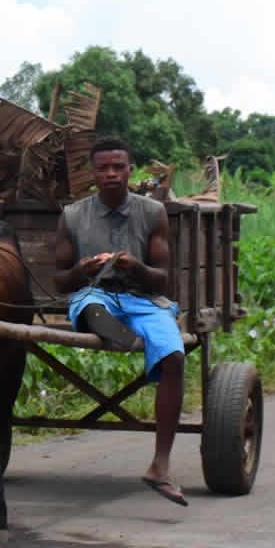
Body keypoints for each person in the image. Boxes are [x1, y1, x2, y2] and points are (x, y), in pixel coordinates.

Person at [52, 136, 188, 507]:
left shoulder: (151, 212)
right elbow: (59, 281)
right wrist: (81, 268)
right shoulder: (73, 216)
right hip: (95, 293)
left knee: (174, 357)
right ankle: (106, 325)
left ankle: (160, 465)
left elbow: (163, 279)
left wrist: (137, 267)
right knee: (88, 303)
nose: (111, 174)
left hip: (144, 300)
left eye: (118, 167)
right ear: (93, 174)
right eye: (103, 168)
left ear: (130, 171)